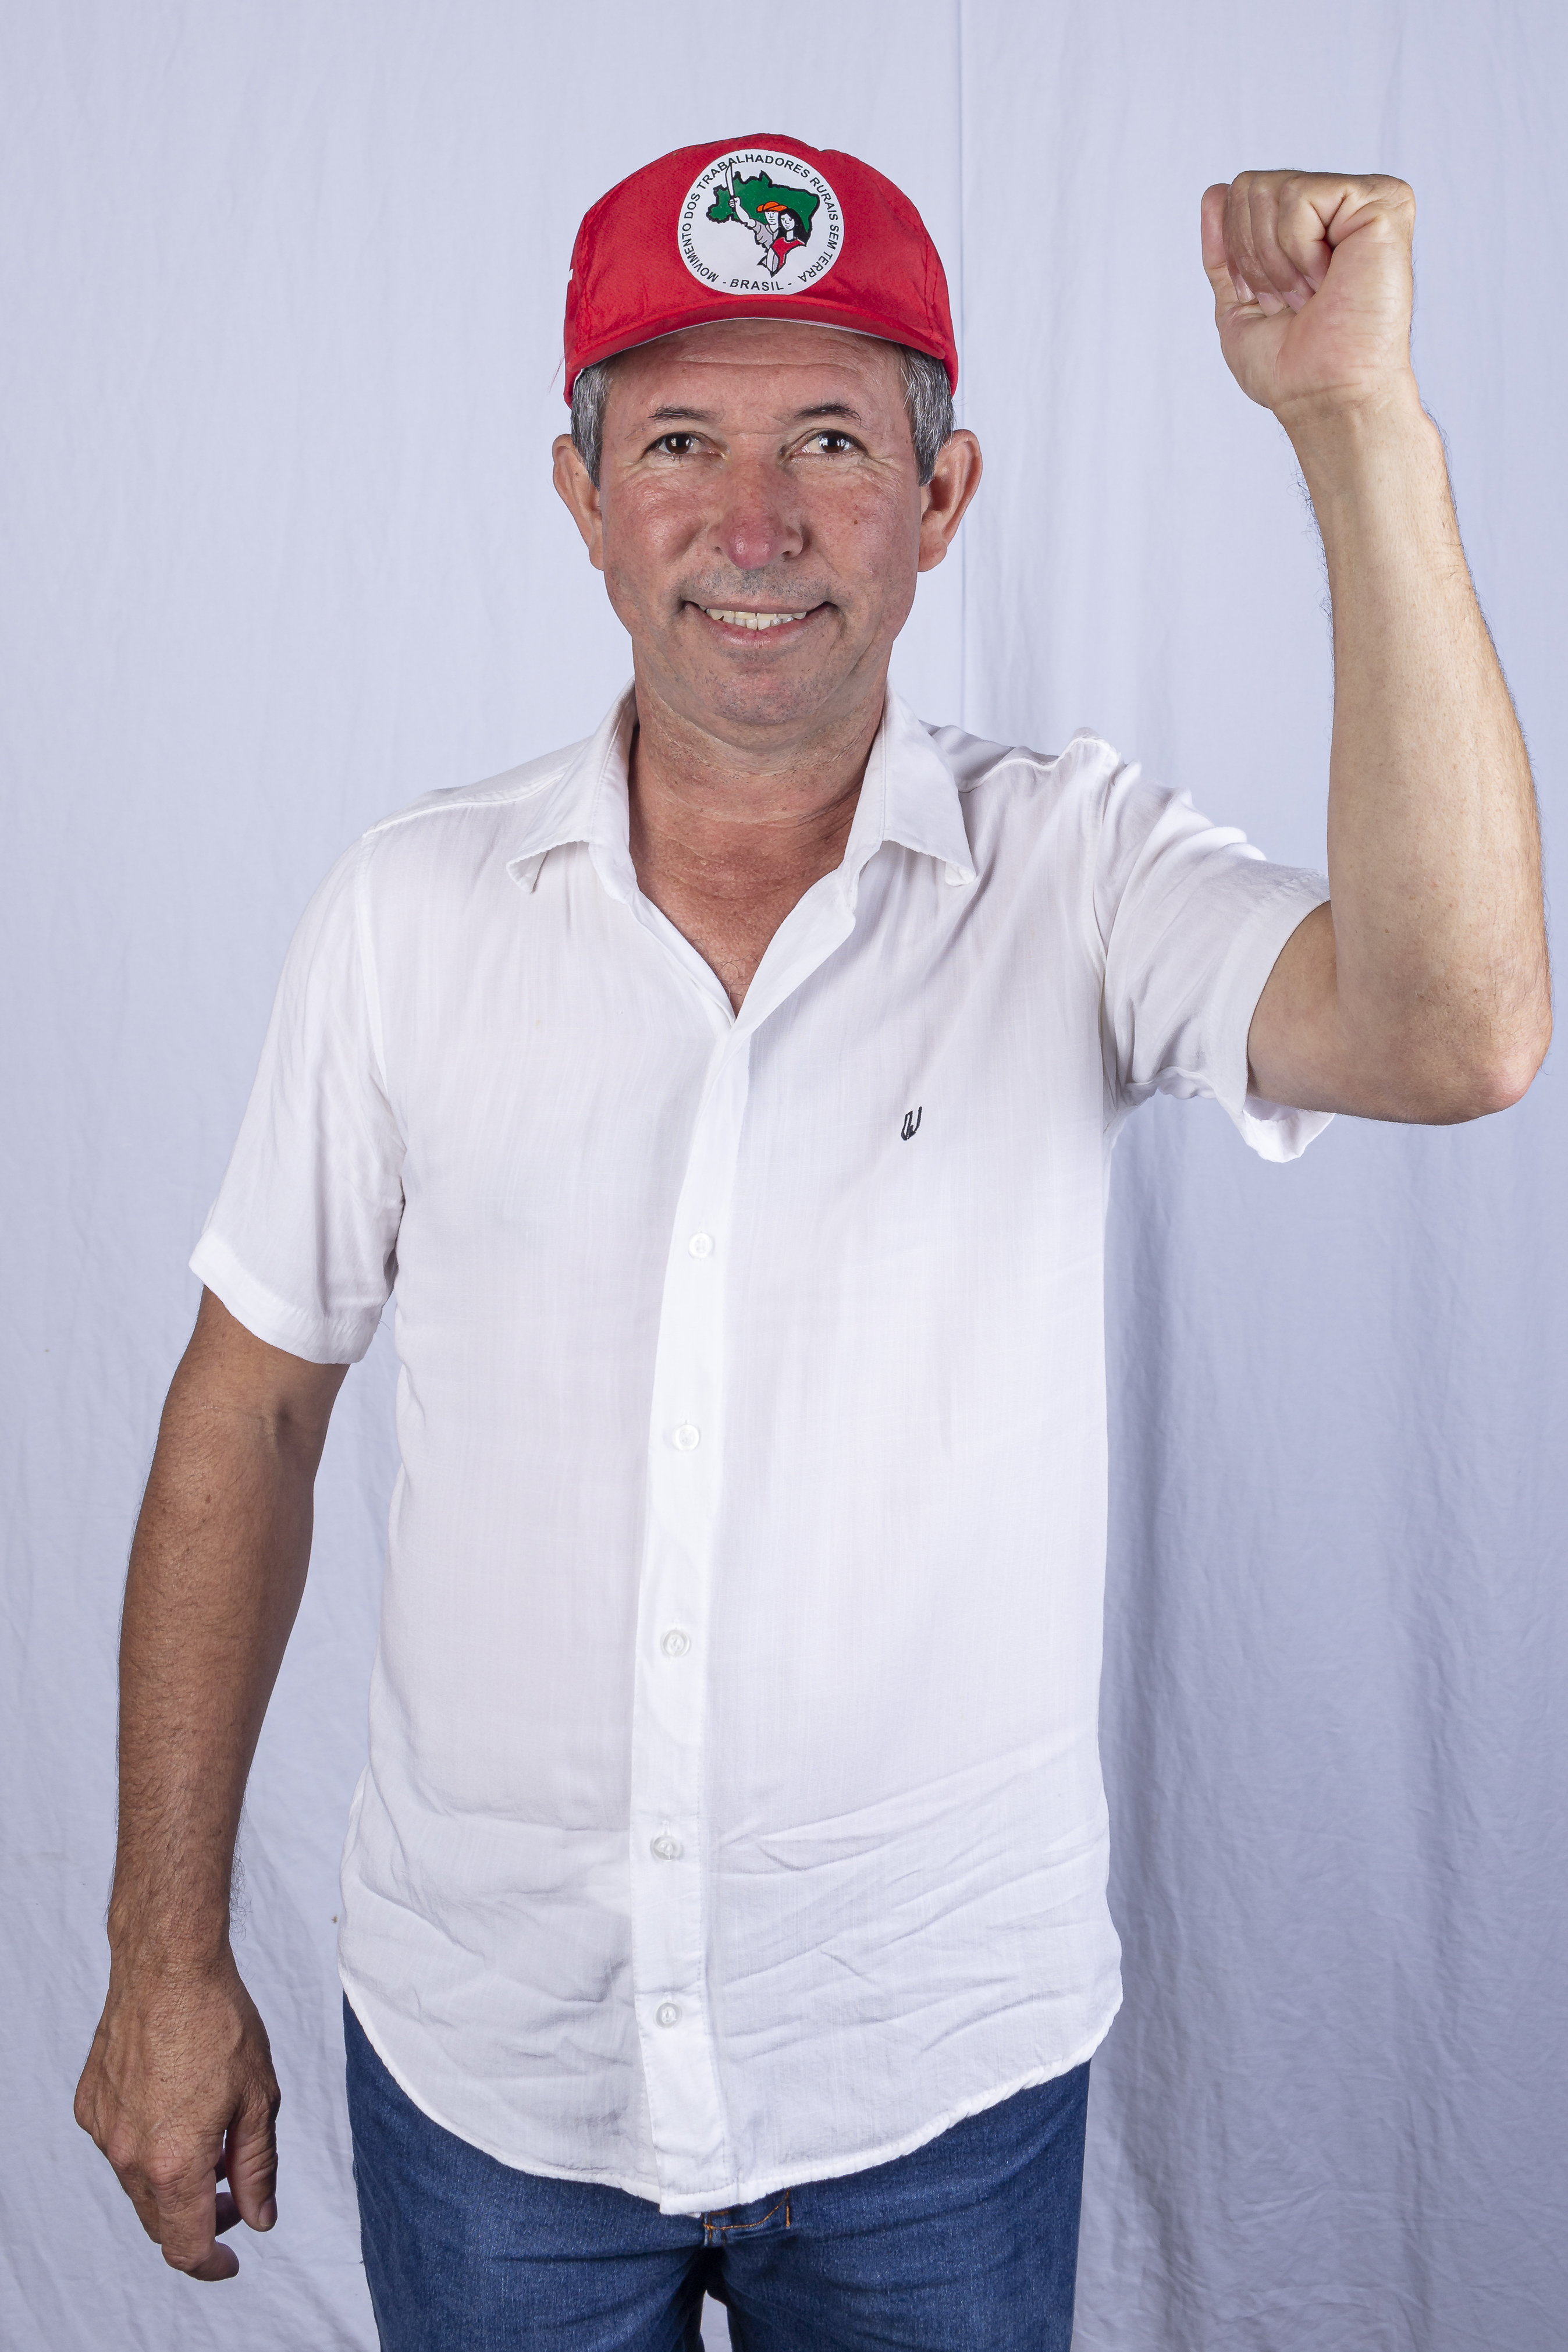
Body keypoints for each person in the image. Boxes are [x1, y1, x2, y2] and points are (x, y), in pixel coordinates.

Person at [74, 133, 1548, 2351]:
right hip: (493, 2082)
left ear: (942, 504)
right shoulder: (405, 916)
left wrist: (1354, 418)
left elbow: (1457, 1028)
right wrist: (163, 1949)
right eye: (680, 440)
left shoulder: (1076, 873)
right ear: (581, 496)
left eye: (833, 444)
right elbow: (247, 1414)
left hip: (931, 2078)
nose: (752, 526)